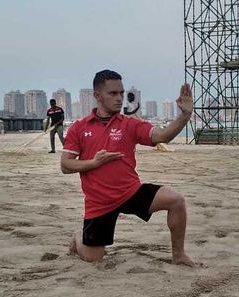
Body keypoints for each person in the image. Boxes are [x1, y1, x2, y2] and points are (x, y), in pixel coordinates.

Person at [62, 69, 199, 266]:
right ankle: (79, 236)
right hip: (99, 202)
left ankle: (179, 255)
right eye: (113, 93)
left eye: (121, 93)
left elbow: (162, 136)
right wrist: (94, 163)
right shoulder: (79, 128)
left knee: (176, 200)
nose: (119, 98)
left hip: (130, 192)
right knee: (94, 260)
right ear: (97, 96)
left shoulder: (129, 124)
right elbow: (65, 165)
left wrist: (185, 116)